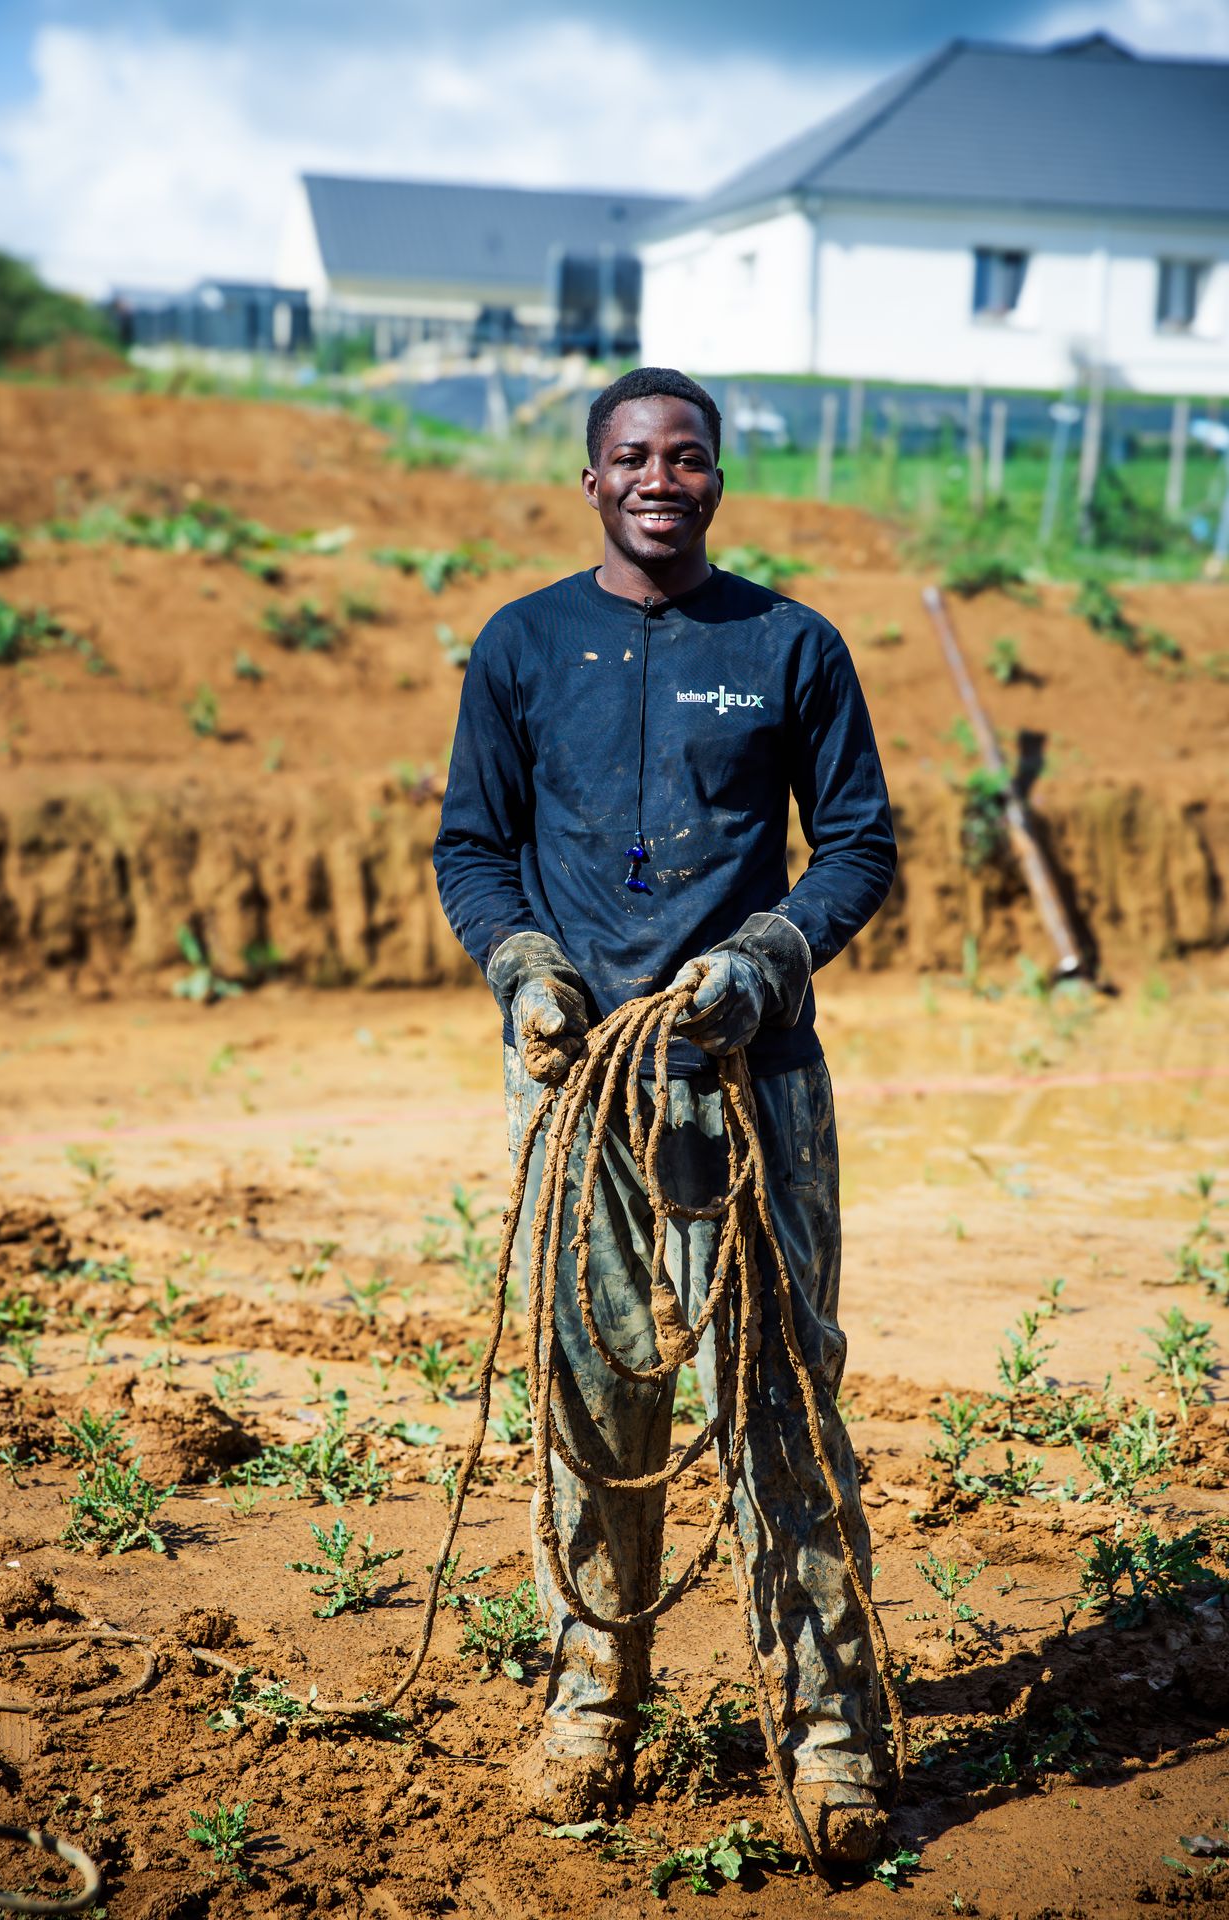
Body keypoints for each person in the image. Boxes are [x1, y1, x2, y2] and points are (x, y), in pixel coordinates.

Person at [433, 367, 897, 1867]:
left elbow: (859, 851)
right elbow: (471, 849)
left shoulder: (791, 646)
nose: (660, 475)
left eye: (686, 455)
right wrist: (523, 968)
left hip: (747, 1092)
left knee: (776, 1401)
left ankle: (828, 1735)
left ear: (715, 482)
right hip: (582, 1093)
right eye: (632, 453)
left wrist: (764, 959)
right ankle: (592, 1703)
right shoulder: (520, 648)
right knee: (589, 1402)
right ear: (591, 480)